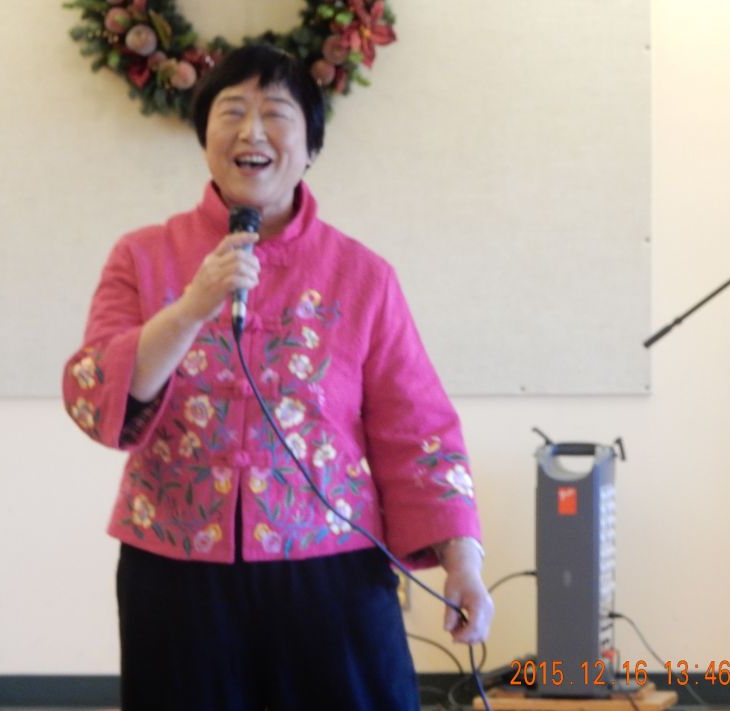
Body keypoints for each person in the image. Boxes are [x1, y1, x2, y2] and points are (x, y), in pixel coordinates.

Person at [62, 44, 493, 711]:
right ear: (204, 137)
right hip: (176, 575)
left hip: (331, 573)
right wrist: (190, 309)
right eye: (231, 112)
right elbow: (94, 395)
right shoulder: (143, 255)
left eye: (276, 115)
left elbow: (419, 429)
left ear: (311, 145)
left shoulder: (363, 275)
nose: (251, 132)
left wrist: (464, 561)